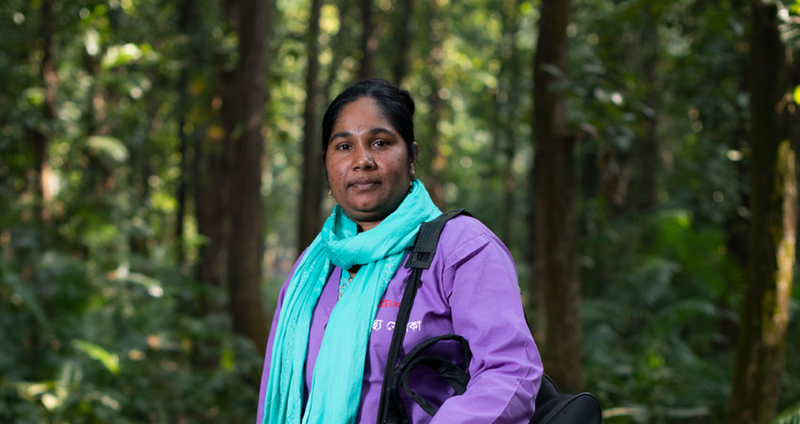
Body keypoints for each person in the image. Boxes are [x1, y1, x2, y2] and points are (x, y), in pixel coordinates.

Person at [256, 78, 542, 424]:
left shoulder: (461, 248)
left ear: (412, 156)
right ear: (326, 164)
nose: (362, 161)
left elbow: (509, 372)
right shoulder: (313, 267)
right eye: (344, 147)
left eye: (380, 143)